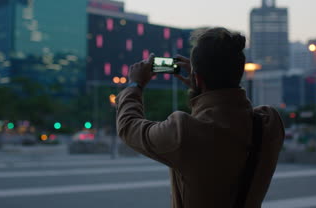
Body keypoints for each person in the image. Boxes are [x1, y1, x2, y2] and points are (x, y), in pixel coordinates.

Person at [115, 27, 284, 208]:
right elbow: (235, 108)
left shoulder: (185, 133)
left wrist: (135, 85)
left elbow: (128, 126)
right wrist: (202, 84)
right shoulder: (269, 124)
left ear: (198, 78)